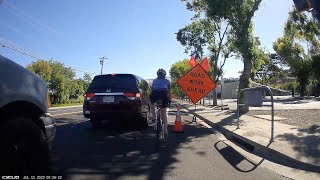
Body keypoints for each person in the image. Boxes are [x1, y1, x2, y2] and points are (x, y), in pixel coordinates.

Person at [150, 68, 171, 138]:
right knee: (164, 115)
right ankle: (165, 131)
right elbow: (169, 92)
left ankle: (153, 117)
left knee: (151, 103)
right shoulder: (167, 81)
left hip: (155, 94)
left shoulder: (154, 81)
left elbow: (152, 89)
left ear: (157, 75)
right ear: (164, 75)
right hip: (164, 95)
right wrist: (170, 99)